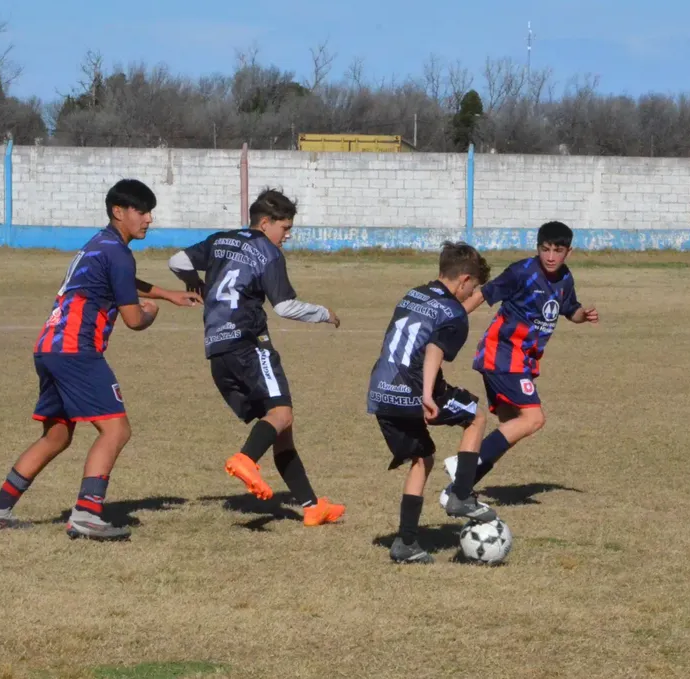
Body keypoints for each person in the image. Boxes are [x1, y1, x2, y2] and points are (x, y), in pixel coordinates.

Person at [0, 179, 202, 540]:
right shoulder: (118, 252)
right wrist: (151, 312)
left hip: (49, 346)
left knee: (56, 437)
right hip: (76, 350)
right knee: (116, 429)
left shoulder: (99, 246)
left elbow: (123, 281)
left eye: (149, 212)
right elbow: (132, 319)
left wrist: (167, 294)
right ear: (119, 211)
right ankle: (87, 513)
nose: (148, 219)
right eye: (141, 211)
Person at [167, 188, 345, 527]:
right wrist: (324, 313)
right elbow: (284, 306)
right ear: (265, 224)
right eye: (285, 228)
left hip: (217, 350)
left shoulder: (220, 240)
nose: (287, 236)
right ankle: (246, 459)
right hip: (249, 344)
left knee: (282, 429)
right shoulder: (268, 252)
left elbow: (177, 261)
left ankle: (311, 506)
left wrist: (195, 283)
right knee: (281, 413)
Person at [440, 221, 599, 505]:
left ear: (568, 252)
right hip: (502, 353)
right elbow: (482, 295)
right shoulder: (522, 272)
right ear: (537, 248)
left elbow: (570, 309)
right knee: (533, 418)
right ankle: (463, 467)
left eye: (558, 251)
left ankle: (459, 490)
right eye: (545, 249)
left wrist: (582, 316)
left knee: (512, 424)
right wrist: (452, 315)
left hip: (521, 360)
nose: (551, 256)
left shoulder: (565, 279)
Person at [367, 241, 498, 565]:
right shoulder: (454, 313)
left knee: (423, 457)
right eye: (473, 289)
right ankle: (461, 495)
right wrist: (427, 394)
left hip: (380, 390)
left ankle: (406, 543)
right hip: (413, 390)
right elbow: (433, 352)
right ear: (465, 280)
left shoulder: (413, 293)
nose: (471, 296)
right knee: (477, 417)